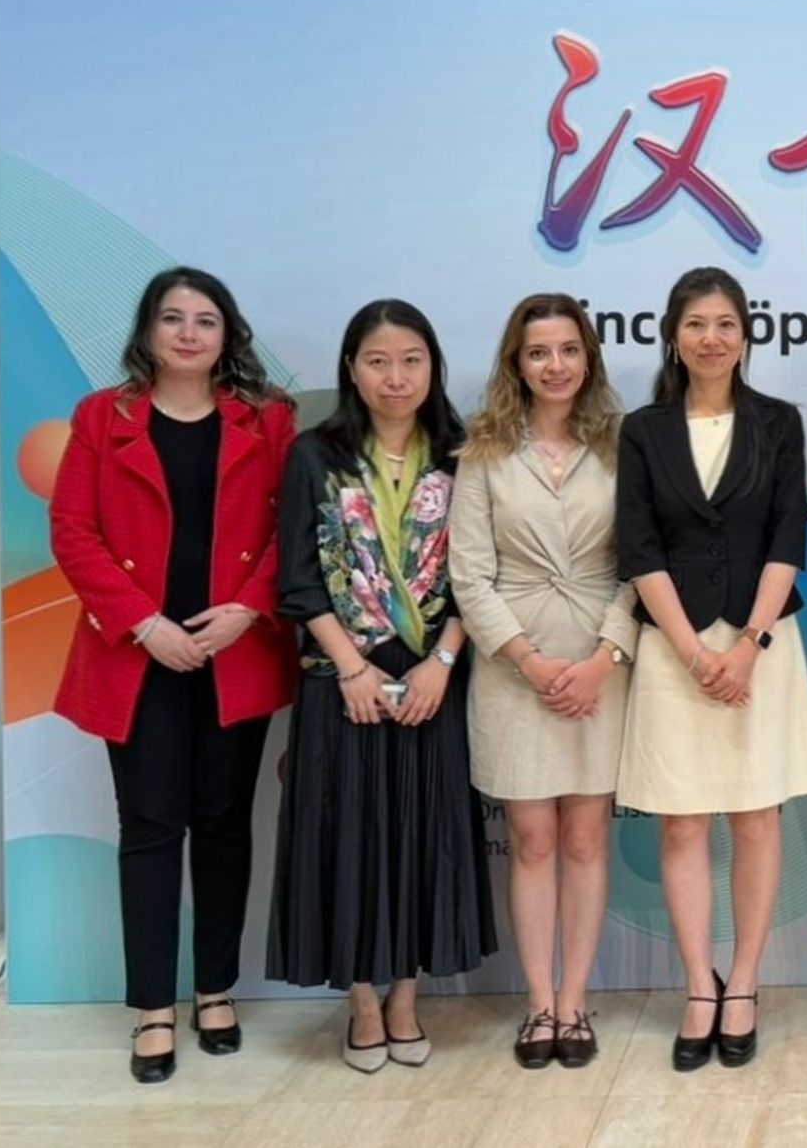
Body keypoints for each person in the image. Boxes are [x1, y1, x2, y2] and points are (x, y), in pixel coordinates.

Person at [49, 266, 298, 1083]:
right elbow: (73, 530)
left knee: (225, 821)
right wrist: (145, 623)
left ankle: (215, 989)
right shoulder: (101, 416)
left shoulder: (269, 419)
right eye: (173, 318)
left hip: (236, 650)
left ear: (228, 335)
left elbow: (294, 531)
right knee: (151, 825)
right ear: (148, 330)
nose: (189, 333)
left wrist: (247, 608)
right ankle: (153, 1004)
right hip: (138, 654)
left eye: (206, 319)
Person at [267, 300, 497, 1072]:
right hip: (344, 682)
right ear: (352, 369)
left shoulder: (464, 455)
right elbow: (298, 579)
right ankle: (362, 1000)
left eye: (411, 360)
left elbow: (480, 574)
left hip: (434, 676)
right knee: (349, 838)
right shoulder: (316, 455)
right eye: (377, 361)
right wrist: (352, 667)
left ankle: (406, 996)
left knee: (422, 837)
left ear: (433, 367)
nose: (395, 377)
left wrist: (443, 663)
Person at [614, 267, 807, 1071]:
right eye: (697, 324)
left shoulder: (778, 422)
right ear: (673, 335)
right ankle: (697, 985)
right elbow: (640, 548)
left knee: (757, 817)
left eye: (726, 324)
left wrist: (745, 646)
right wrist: (695, 651)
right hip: (675, 652)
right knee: (682, 821)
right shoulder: (643, 430)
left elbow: (787, 537)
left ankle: (743, 981)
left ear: (746, 335)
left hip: (759, 648)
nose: (712, 338)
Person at [449, 293, 640, 1069]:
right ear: (516, 364)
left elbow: (642, 564)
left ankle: (575, 1000)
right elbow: (469, 573)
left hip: (601, 663)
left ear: (588, 357)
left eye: (568, 349)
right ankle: (538, 1003)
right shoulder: (483, 449)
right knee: (531, 840)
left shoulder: (624, 445)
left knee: (587, 838)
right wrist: (528, 660)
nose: (554, 365)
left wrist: (603, 658)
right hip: (511, 669)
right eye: (538, 352)